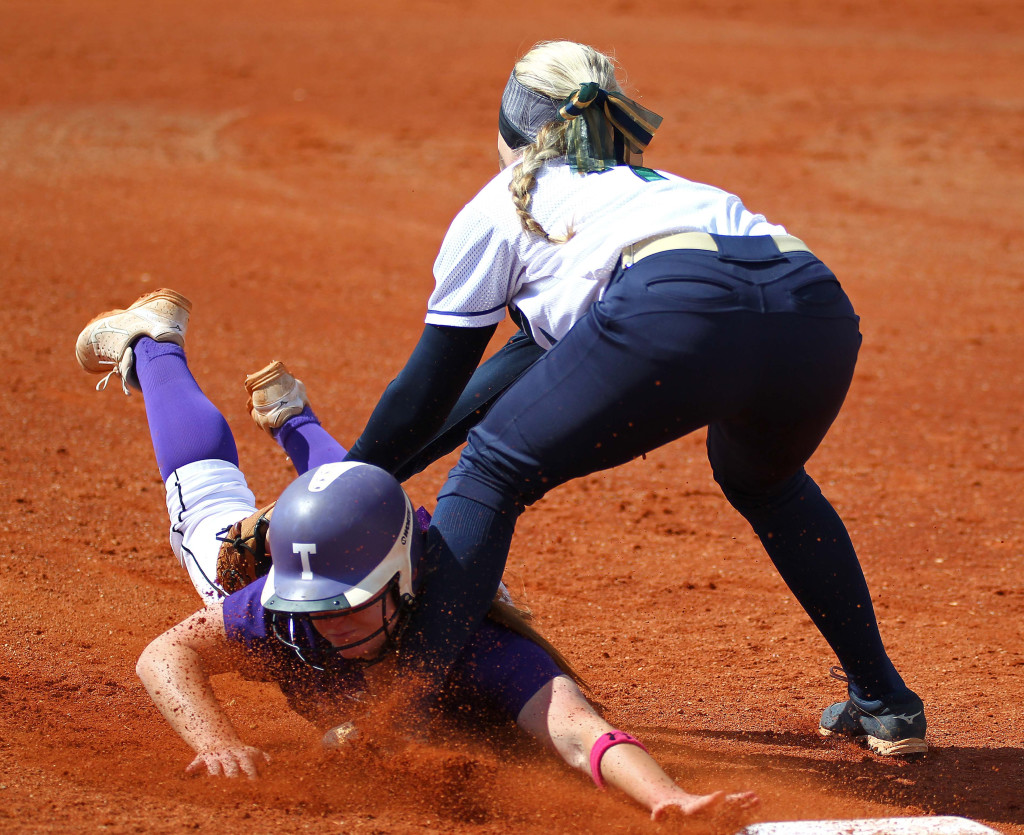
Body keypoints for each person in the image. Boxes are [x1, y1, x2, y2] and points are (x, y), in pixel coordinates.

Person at [339, 40, 927, 757]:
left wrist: (341, 481)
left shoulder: (502, 205)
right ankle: (886, 702)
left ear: (508, 131)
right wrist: (365, 473)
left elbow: (429, 391)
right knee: (766, 480)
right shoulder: (652, 186)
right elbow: (498, 385)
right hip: (814, 310)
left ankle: (397, 719)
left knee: (493, 474)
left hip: (675, 309)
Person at [73, 289, 759, 822]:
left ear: (404, 586)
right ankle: (153, 340)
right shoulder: (280, 610)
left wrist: (669, 797)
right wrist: (215, 740)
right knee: (208, 512)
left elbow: (583, 732)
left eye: (346, 603)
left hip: (370, 546)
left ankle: (294, 420)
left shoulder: (475, 640)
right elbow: (164, 655)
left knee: (362, 505)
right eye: (314, 606)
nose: (326, 623)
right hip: (303, 546)